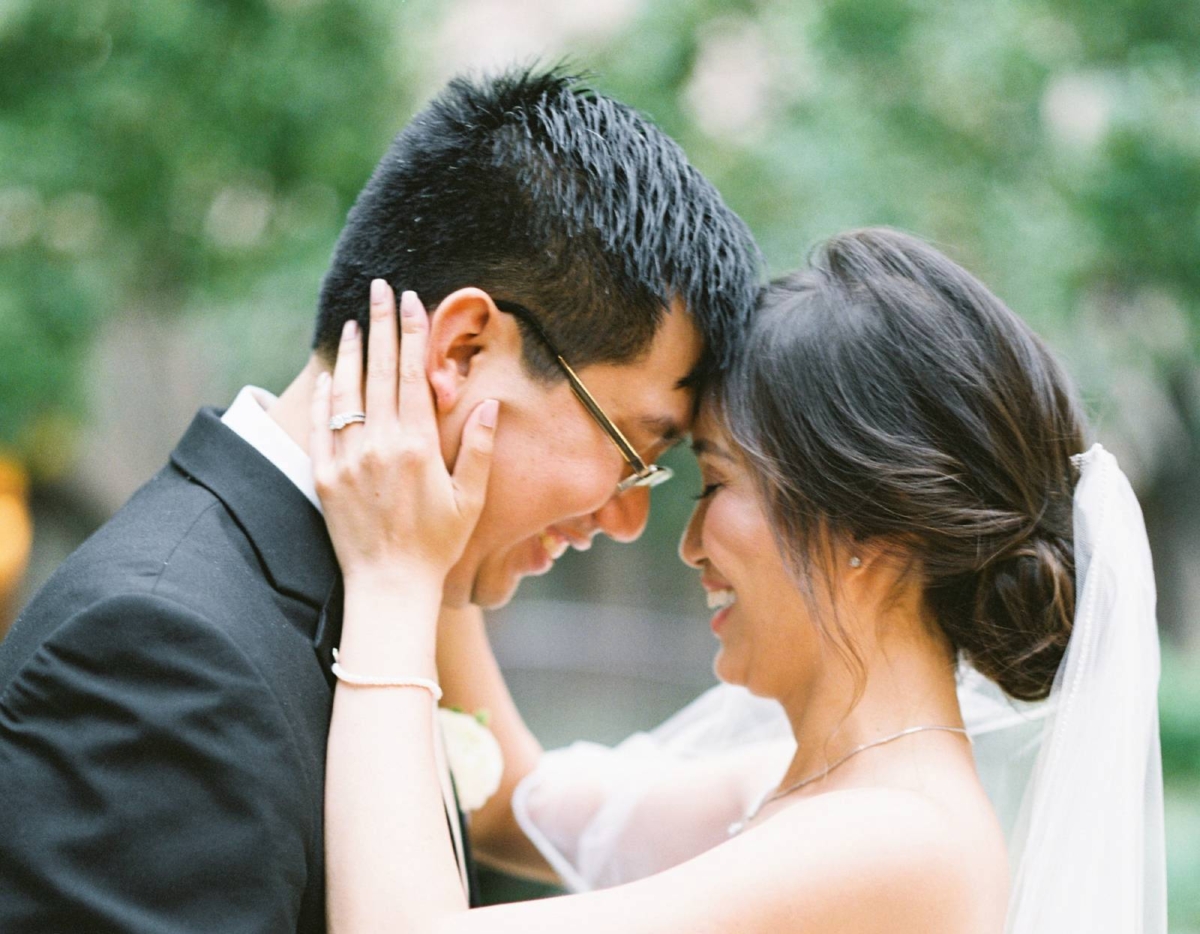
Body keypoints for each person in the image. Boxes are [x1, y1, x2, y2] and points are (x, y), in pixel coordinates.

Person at [0, 67, 759, 931]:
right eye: (634, 449)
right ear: (463, 351)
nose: (627, 519)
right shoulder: (156, 650)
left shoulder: (372, 596)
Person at [315, 228, 1165, 932]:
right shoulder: (799, 791)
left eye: (716, 483)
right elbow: (510, 802)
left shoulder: (900, 843)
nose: (687, 544)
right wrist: (449, 486)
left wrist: (395, 573)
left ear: (874, 526)